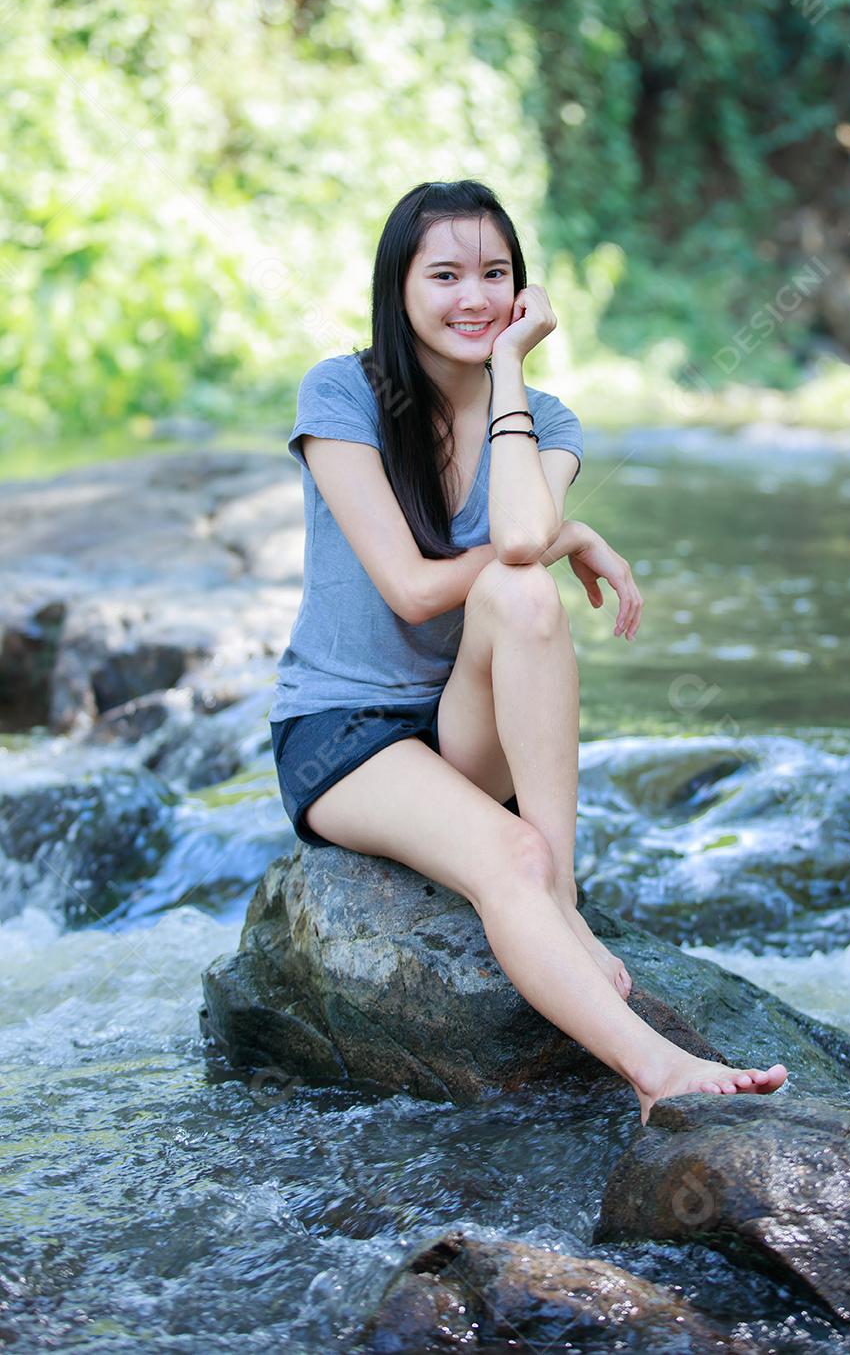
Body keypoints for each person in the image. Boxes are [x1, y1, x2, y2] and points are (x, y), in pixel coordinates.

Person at [268, 178, 787, 1124]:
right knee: (505, 851)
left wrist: (507, 367)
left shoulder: (544, 419)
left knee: (522, 593)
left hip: (459, 730)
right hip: (345, 729)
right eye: (447, 274)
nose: (474, 297)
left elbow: (513, 545)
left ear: (523, 293)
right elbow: (416, 588)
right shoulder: (342, 392)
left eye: (496, 275)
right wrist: (566, 535)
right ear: (399, 286)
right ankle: (655, 1070)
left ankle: (567, 895)